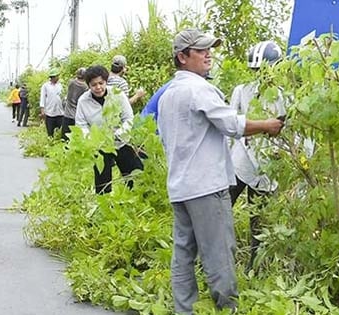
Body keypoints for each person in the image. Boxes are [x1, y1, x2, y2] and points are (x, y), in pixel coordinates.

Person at [157, 29, 284, 314]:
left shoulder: (169, 94)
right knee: (219, 256)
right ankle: (228, 309)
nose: (208, 54)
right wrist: (267, 126)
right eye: (201, 51)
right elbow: (231, 125)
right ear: (182, 57)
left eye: (208, 49)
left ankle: (184, 309)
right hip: (206, 188)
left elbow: (167, 138)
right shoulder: (199, 89)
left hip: (180, 187)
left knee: (183, 255)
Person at [228, 40, 285, 273]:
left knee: (258, 220)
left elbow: (288, 131)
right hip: (239, 161)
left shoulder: (283, 96)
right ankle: (215, 258)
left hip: (266, 166)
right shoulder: (241, 91)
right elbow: (231, 124)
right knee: (221, 209)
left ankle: (255, 268)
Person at [75, 65, 144, 194]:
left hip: (121, 142)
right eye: (94, 84)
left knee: (135, 175)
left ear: (106, 81)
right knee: (103, 184)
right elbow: (81, 124)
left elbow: (128, 118)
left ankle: (136, 201)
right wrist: (91, 138)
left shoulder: (117, 95)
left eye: (101, 83)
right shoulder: (83, 101)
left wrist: (119, 133)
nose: (98, 87)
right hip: (99, 146)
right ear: (88, 85)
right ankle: (105, 207)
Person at [61, 67, 88, 141]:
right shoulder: (85, 87)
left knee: (65, 138)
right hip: (77, 116)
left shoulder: (71, 82)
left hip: (67, 114)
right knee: (75, 139)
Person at [39, 68, 64, 137]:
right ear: (53, 77)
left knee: (61, 132)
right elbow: (42, 98)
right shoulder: (46, 86)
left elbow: (63, 97)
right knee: (50, 133)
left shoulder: (60, 85)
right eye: (57, 76)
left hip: (60, 113)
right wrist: (42, 110)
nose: (58, 77)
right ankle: (50, 144)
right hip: (50, 113)